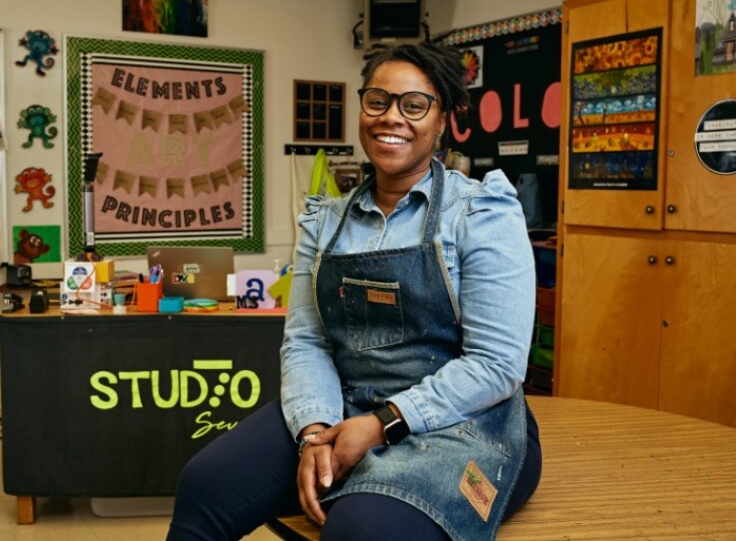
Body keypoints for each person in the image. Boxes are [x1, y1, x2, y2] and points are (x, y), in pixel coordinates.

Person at [167, 41, 542, 541]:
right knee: (206, 483)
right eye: (378, 101)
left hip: (462, 423)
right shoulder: (325, 221)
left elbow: (497, 365)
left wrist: (383, 423)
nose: (392, 118)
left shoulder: (480, 211)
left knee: (362, 530)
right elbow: (307, 341)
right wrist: (315, 432)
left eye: (414, 105)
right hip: (342, 405)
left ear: (443, 121)